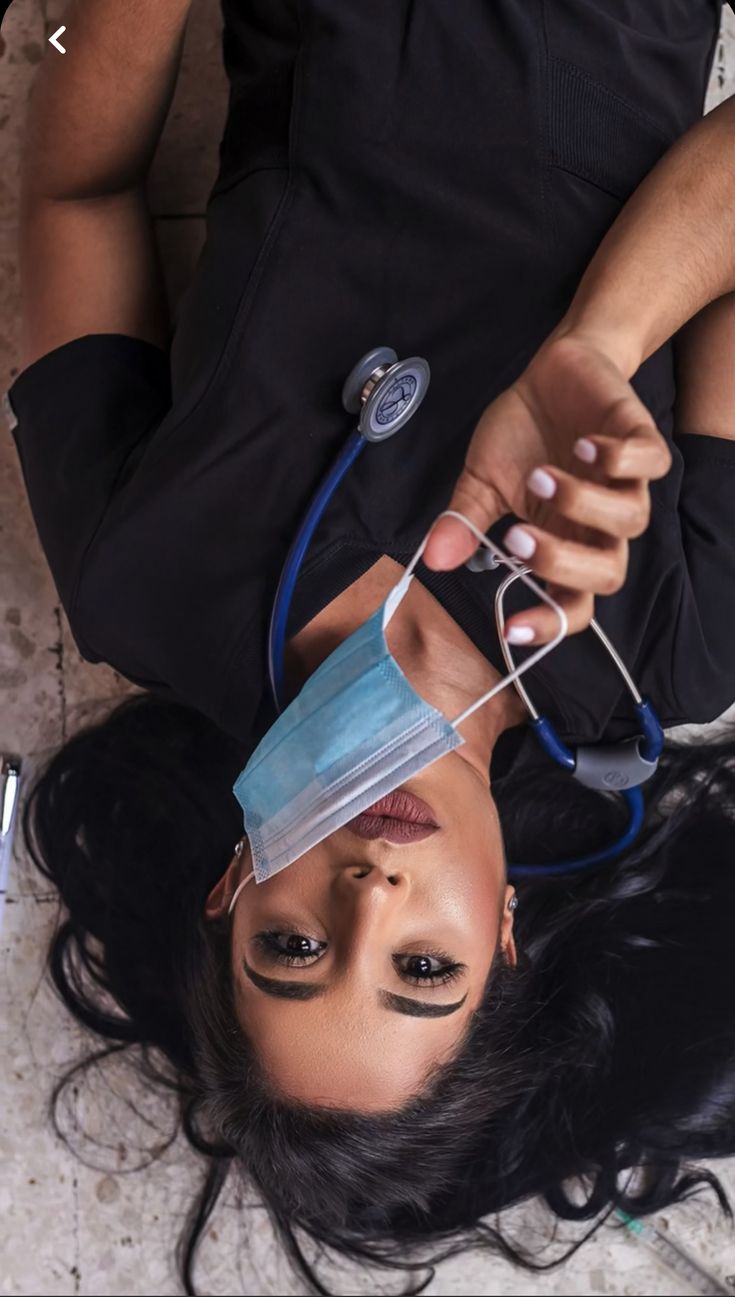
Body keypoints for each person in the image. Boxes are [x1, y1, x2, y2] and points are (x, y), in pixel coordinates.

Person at [8, 1, 735, 1292]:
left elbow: (75, 190)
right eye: (421, 968)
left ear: (234, 889)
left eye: (293, 950)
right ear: (504, 932)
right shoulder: (674, 640)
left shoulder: (145, 585)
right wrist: (602, 339)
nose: (368, 900)